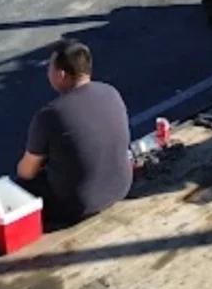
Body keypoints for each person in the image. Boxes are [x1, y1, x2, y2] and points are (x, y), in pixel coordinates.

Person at [17, 39, 133, 227]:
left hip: (76, 205)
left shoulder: (50, 115)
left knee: (20, 184)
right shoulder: (111, 92)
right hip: (121, 187)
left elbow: (26, 172)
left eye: (49, 68)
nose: (47, 73)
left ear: (61, 75)